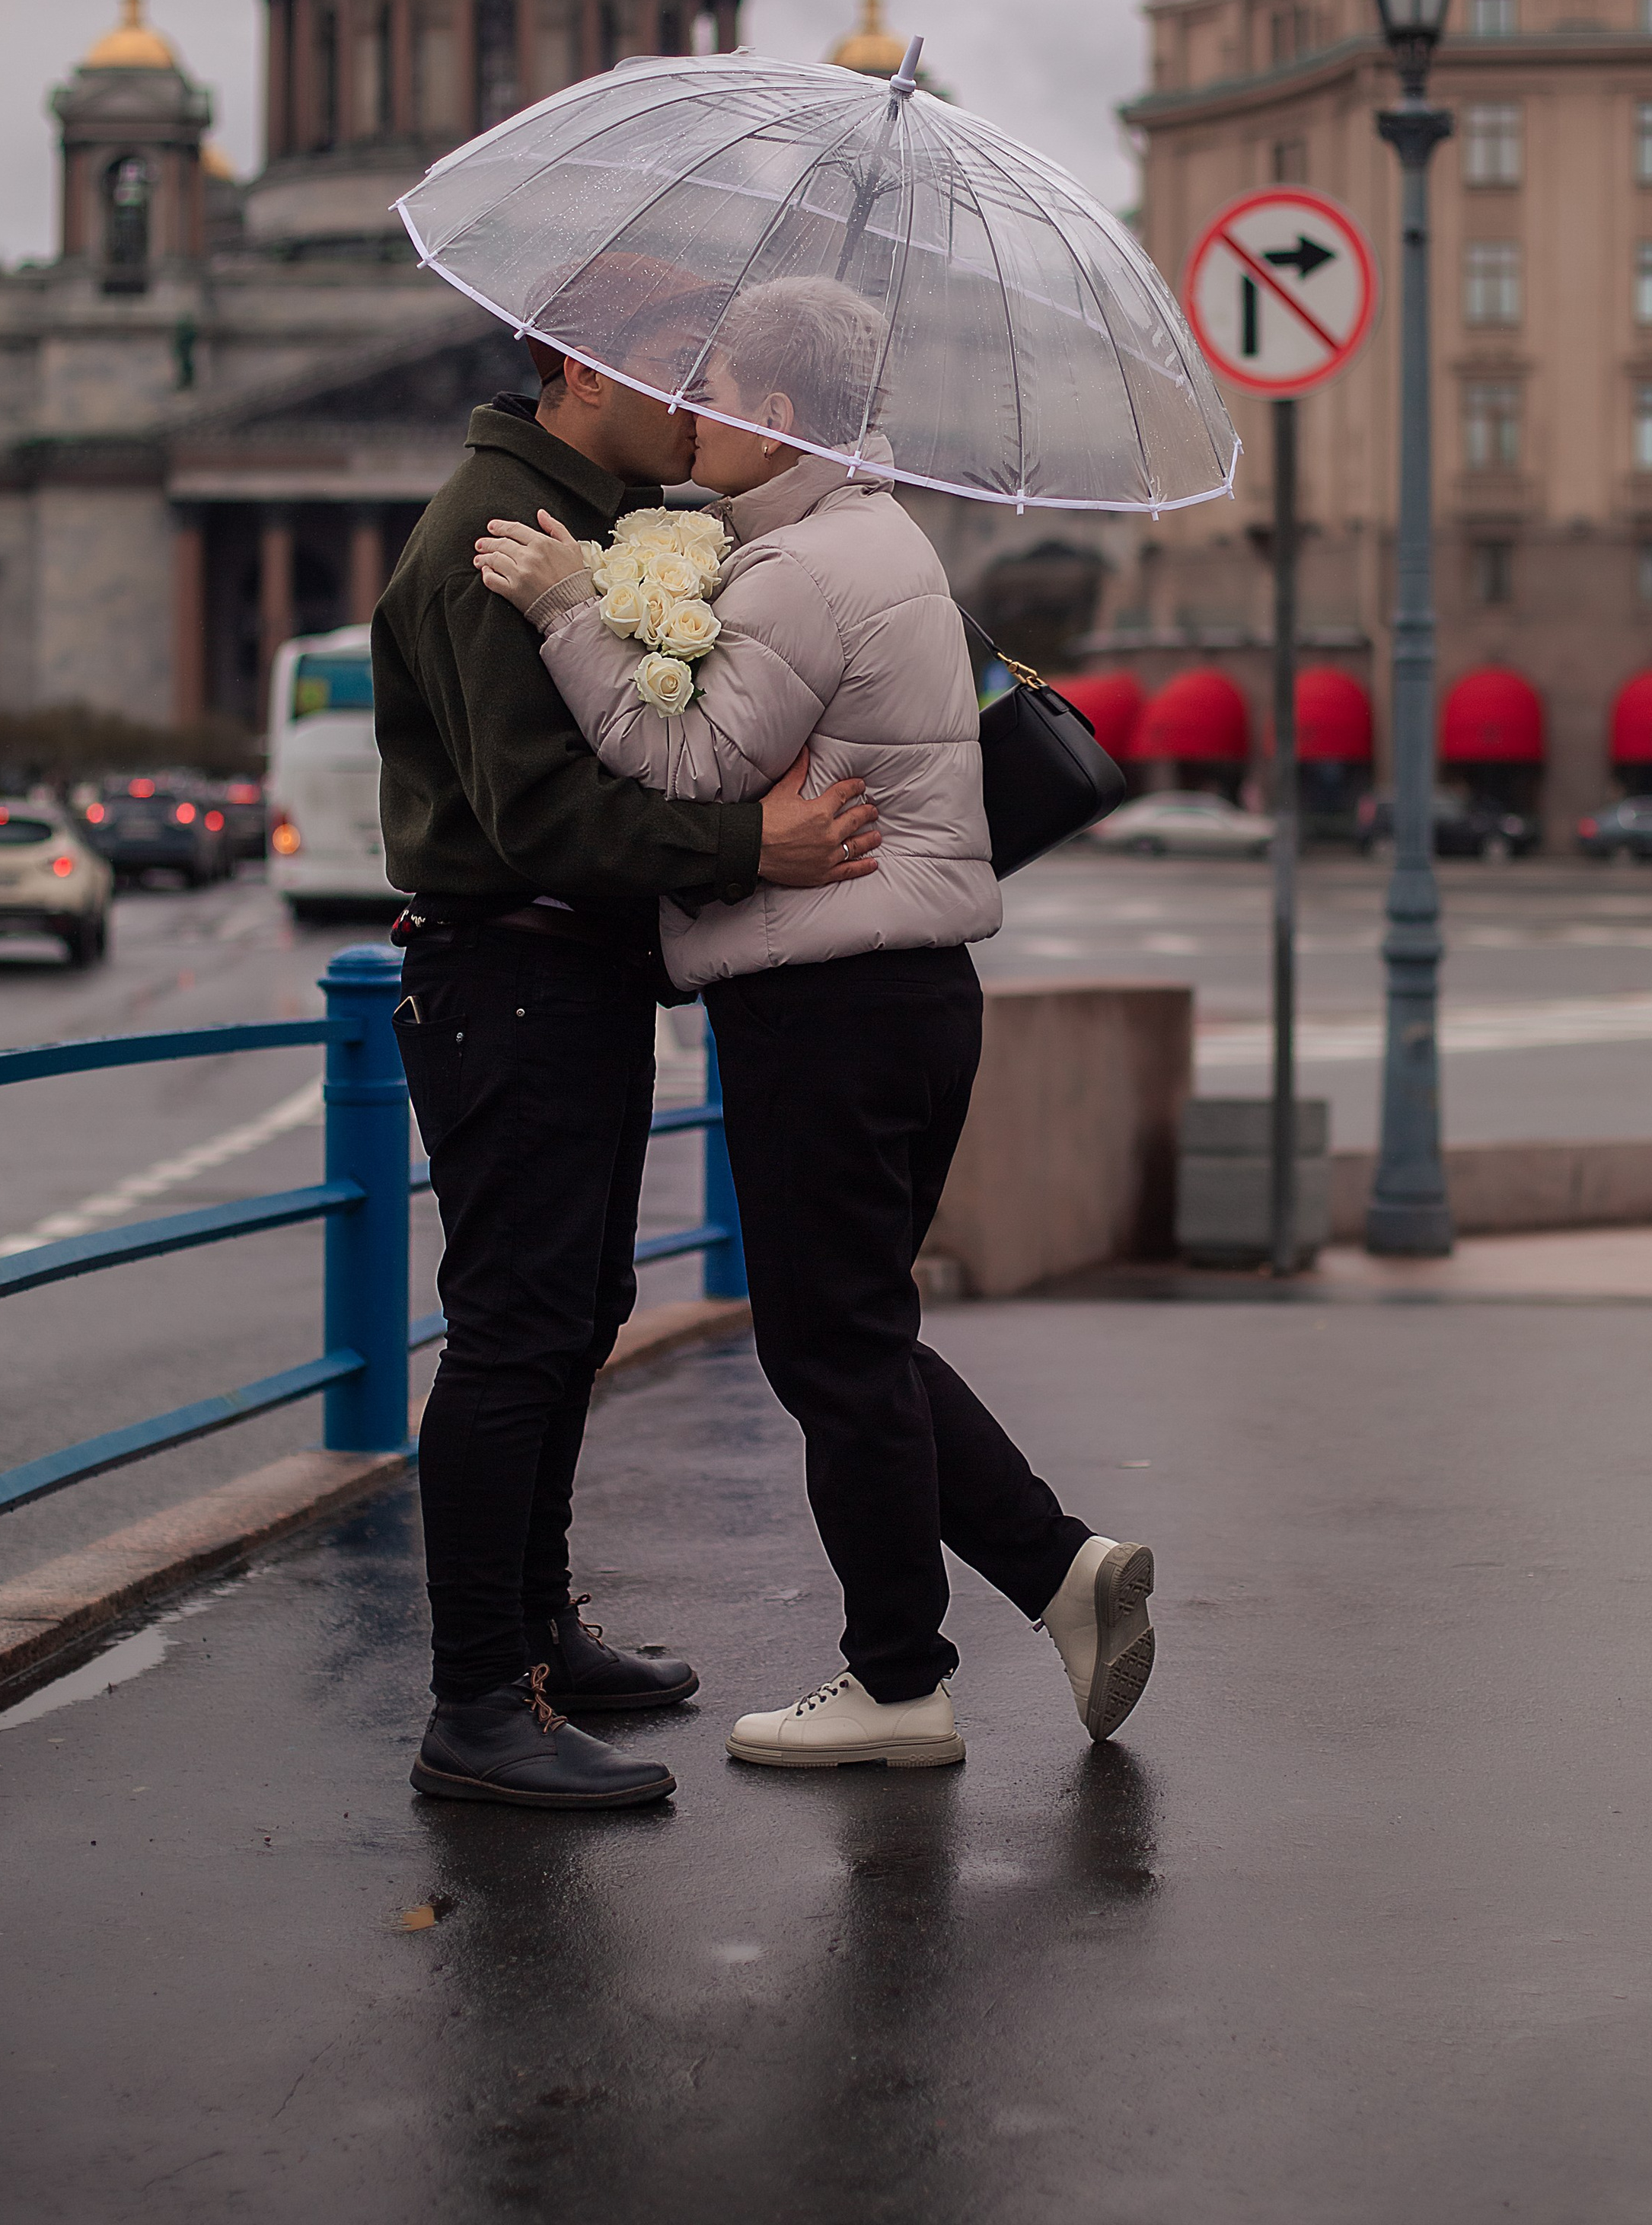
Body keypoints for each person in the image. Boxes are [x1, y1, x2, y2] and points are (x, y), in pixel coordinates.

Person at [474, 273, 1156, 1771]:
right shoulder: (869, 536)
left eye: (709, 386)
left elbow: (688, 761)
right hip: (912, 997)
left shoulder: (800, 568)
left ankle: (898, 1681)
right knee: (857, 1333)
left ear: (771, 415)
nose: (684, 413)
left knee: (829, 1352)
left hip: (825, 1006)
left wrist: (562, 606)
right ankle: (1053, 1573)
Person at [375, 305, 882, 1812]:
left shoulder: (581, 521)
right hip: (510, 969)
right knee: (516, 1327)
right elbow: (537, 818)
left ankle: (535, 1637)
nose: (696, 404)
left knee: (576, 1304)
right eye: (672, 372)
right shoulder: (491, 533)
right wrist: (750, 843)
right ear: (580, 371)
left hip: (567, 975)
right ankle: (477, 1703)